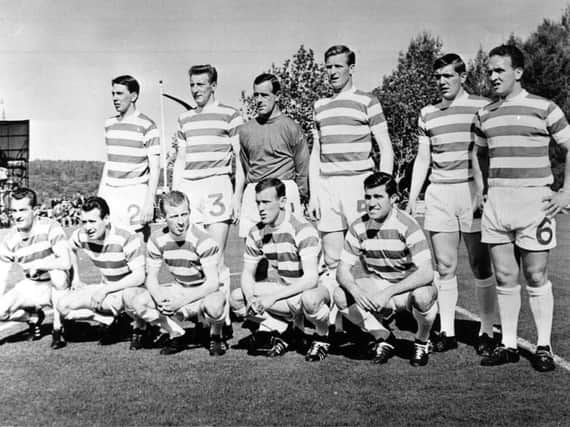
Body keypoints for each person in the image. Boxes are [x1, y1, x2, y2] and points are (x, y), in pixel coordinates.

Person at [473, 45, 570, 372]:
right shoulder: (485, 113)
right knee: (504, 275)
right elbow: (478, 154)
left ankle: (543, 346)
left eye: (499, 70)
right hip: (498, 202)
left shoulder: (544, 108)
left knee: (535, 274)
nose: (492, 76)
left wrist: (565, 193)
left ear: (518, 72)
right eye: (489, 71)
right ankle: (509, 344)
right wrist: (481, 191)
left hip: (534, 202)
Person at [407, 53, 497, 356]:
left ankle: (486, 329)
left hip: (471, 192)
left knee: (479, 264)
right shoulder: (427, 113)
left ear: (463, 76)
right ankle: (447, 330)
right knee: (444, 266)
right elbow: (423, 158)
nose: (442, 82)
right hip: (439, 194)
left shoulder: (482, 107)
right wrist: (412, 196)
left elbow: (490, 153)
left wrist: (488, 192)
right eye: (438, 77)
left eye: (448, 76)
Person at [308, 45, 394, 299]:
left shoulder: (368, 101)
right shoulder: (320, 105)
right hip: (327, 185)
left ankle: (374, 319)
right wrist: (314, 194)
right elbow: (316, 153)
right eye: (328, 67)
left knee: (367, 254)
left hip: (359, 183)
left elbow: (385, 148)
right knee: (332, 256)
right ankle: (340, 322)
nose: (332, 72)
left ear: (351, 68)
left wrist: (383, 190)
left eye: (338, 66)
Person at [335, 173, 437, 366]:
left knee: (423, 296)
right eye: (368, 197)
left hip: (408, 288)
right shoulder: (358, 226)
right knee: (341, 294)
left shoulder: (407, 225)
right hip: (380, 285)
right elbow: (342, 270)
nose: (371, 203)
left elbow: (426, 272)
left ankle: (422, 341)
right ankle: (383, 336)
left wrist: (388, 292)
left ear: (393, 199)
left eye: (378, 197)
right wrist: (355, 290)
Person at [173, 64, 244, 327]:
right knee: (195, 255)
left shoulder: (230, 115)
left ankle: (219, 323)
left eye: (200, 85)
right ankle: (203, 315)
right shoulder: (184, 119)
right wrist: (175, 193)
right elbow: (180, 158)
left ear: (213, 85)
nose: (195, 90)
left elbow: (240, 158)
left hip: (217, 185)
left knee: (216, 256)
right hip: (190, 186)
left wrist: (237, 195)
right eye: (192, 85)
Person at [230, 178, 327, 360]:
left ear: (282, 202)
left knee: (310, 299)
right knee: (237, 298)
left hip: (314, 291)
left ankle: (322, 336)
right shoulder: (256, 232)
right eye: (258, 202)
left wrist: (270, 298)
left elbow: (311, 279)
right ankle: (284, 329)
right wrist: (251, 298)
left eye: (266, 202)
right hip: (287, 290)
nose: (261, 208)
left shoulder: (302, 229)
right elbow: (247, 274)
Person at [126, 191, 227, 356]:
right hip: (179, 287)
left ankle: (216, 335)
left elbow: (212, 283)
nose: (181, 221)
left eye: (184, 214)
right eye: (174, 216)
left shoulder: (203, 240)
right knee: (139, 302)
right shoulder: (156, 239)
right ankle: (176, 333)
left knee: (214, 306)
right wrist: (160, 300)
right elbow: (151, 277)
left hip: (203, 291)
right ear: (163, 217)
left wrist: (179, 302)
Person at [56, 197, 145, 347]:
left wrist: (105, 290)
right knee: (63, 305)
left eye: (92, 221)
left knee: (132, 300)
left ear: (106, 219)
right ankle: (112, 322)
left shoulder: (126, 236)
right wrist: (76, 278)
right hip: (107, 288)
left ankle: (142, 326)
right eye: (84, 222)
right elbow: (70, 248)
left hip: (130, 290)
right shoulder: (81, 235)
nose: (87, 227)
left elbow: (139, 276)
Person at [237, 73, 309, 238]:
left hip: (283, 190)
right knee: (252, 249)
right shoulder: (246, 130)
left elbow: (302, 165)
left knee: (287, 247)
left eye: (264, 95)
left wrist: (300, 194)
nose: (259, 100)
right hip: (254, 191)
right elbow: (246, 164)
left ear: (277, 96)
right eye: (256, 95)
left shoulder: (291, 127)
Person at [0, 188, 72, 349]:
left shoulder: (50, 226)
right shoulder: (9, 239)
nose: (17, 215)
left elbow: (66, 262)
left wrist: (38, 265)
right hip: (33, 285)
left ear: (35, 210)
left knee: (58, 274)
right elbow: (1, 276)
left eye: (23, 210)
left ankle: (57, 329)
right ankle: (33, 318)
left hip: (56, 287)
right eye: (14, 210)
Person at [98, 75, 160, 241]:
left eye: (119, 93)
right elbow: (109, 163)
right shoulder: (109, 124)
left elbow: (155, 168)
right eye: (113, 94)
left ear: (133, 96)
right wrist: (100, 196)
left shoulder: (148, 125)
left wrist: (149, 201)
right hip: (111, 192)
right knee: (111, 244)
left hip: (135, 191)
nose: (115, 98)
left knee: (137, 246)